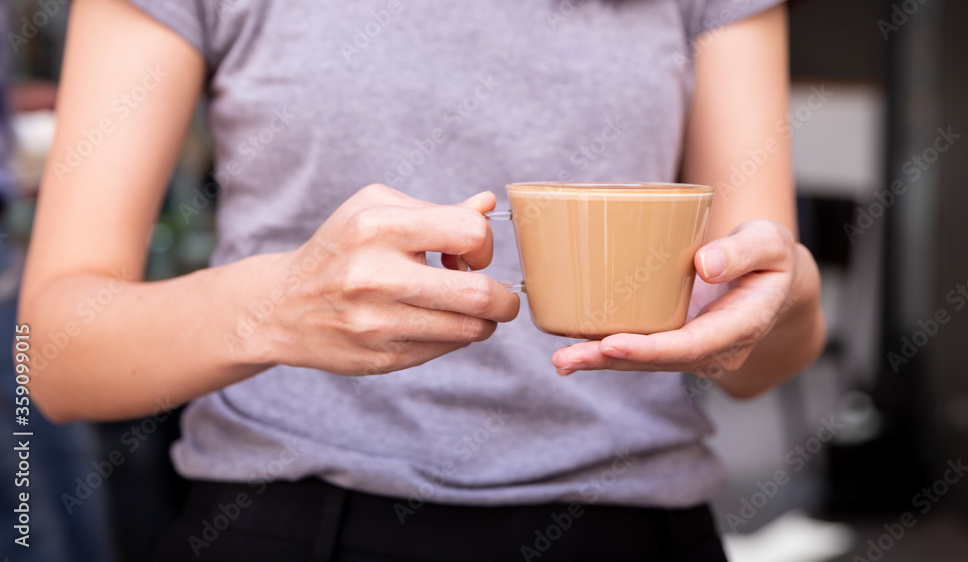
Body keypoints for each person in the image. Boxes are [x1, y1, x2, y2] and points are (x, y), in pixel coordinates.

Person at [22, 0, 825, 560]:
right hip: (292, 517)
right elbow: (49, 359)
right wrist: (275, 307)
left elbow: (757, 349)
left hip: (632, 524)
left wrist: (782, 302)